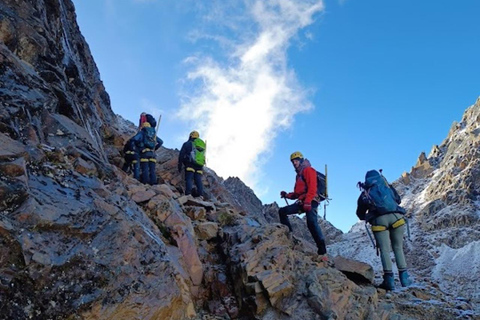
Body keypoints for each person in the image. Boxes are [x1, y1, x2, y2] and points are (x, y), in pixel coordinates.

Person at [356, 169, 411, 291]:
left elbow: (359, 213)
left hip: (379, 221)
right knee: (398, 248)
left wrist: (370, 216)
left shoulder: (365, 192)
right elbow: (398, 200)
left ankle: (389, 281)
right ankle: (405, 280)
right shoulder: (387, 187)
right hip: (397, 218)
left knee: (385, 250)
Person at [279, 151, 327, 256]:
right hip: (303, 201)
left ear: (301, 160)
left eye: (296, 161)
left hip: (312, 200)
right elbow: (297, 193)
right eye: (293, 162)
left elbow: (312, 188)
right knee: (282, 211)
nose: (294, 163)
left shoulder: (309, 170)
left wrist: (308, 201)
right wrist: (287, 195)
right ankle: (289, 237)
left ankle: (322, 251)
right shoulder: (299, 175)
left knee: (311, 222)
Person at [178, 130, 205, 197]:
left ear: (190, 136)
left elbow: (181, 154)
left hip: (190, 164)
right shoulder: (201, 145)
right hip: (199, 165)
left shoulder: (187, 143)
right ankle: (200, 195)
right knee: (198, 180)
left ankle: (188, 194)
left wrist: (180, 165)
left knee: (189, 178)